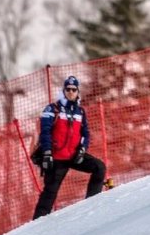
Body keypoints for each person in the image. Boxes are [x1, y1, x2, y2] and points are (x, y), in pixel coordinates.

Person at [33, 75, 106, 219]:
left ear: (78, 92)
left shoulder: (80, 112)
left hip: (73, 155)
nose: (71, 92)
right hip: (56, 158)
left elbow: (85, 133)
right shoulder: (52, 109)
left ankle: (92, 203)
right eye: (68, 89)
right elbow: (45, 132)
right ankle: (37, 222)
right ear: (64, 91)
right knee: (50, 191)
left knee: (99, 167)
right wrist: (47, 153)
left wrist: (82, 149)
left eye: (74, 90)